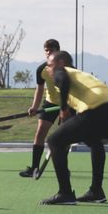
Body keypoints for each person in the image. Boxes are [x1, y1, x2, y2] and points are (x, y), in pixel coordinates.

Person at [40, 51, 108, 205]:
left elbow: (62, 80)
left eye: (50, 65)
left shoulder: (63, 72)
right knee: (94, 141)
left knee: (54, 141)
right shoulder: (81, 76)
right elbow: (76, 117)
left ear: (61, 63)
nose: (48, 69)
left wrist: (63, 109)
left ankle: (65, 193)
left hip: (98, 109)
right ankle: (96, 191)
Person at [18, 38, 71, 178]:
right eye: (46, 50)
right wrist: (34, 107)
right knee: (40, 133)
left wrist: (66, 107)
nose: (48, 53)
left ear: (58, 51)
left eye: (51, 50)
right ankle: (34, 168)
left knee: (63, 139)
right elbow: (40, 89)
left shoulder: (68, 68)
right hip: (50, 103)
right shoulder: (41, 69)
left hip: (67, 104)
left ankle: (63, 168)